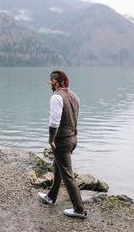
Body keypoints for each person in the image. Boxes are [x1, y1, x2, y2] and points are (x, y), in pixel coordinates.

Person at [38, 70, 87, 219]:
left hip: (62, 140)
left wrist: (51, 139)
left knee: (67, 174)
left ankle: (79, 209)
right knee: (57, 166)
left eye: (50, 82)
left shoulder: (56, 97)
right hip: (73, 138)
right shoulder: (74, 96)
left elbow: (54, 121)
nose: (49, 85)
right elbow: (74, 118)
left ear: (55, 82)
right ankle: (51, 197)